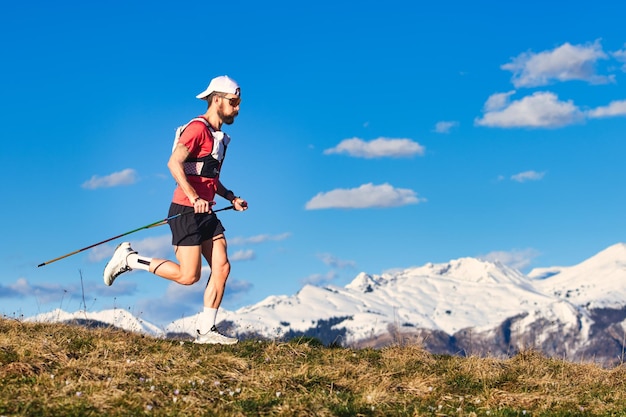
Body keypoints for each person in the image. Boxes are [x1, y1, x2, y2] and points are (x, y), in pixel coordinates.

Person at [103, 75, 247, 345]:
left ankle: (206, 331)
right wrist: (194, 198)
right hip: (185, 209)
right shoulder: (197, 129)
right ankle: (130, 259)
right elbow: (173, 163)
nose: (237, 108)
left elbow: (208, 177)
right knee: (188, 275)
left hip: (206, 212)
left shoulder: (219, 138)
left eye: (239, 102)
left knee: (222, 266)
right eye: (233, 102)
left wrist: (231, 197)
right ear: (217, 100)